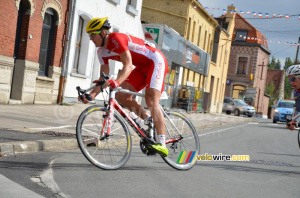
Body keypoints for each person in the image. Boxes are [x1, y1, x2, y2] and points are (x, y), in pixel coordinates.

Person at [78, 17, 168, 156]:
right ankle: (147, 120)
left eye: (92, 35)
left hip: (155, 61)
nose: (90, 38)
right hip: (142, 66)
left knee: (151, 100)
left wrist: (117, 82)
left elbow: (128, 65)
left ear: (103, 33)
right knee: (122, 96)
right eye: (89, 35)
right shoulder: (101, 52)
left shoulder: (116, 39)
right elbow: (104, 78)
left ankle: (162, 143)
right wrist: (91, 95)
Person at [285, 64, 300, 130]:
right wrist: (294, 123)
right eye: (290, 80)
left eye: (293, 79)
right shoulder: (296, 92)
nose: (291, 82)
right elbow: (298, 110)